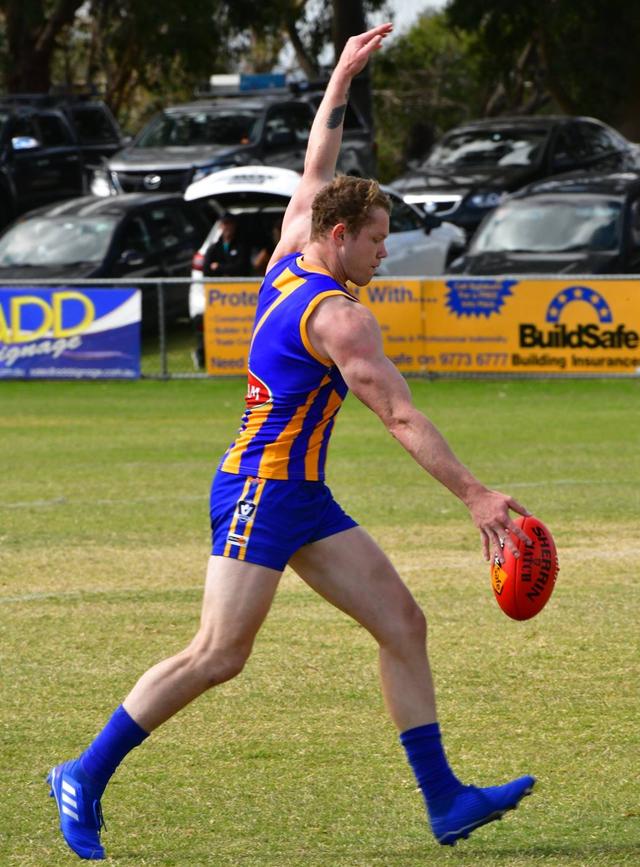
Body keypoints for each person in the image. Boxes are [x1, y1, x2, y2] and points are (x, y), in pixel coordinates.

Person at [47, 24, 537, 861]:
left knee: (404, 624)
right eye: (378, 238)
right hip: (257, 495)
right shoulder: (340, 315)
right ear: (341, 237)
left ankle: (446, 799)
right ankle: (82, 773)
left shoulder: (288, 256)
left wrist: (340, 78)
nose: (385, 252)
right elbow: (402, 417)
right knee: (218, 654)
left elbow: (316, 167)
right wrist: (477, 497)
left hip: (301, 497)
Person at [191, 212, 251, 370]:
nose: (227, 228)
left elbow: (242, 267)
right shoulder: (214, 247)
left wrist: (220, 268)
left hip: (240, 297)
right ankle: (204, 356)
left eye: (229, 224)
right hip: (219, 298)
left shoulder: (241, 245)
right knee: (204, 322)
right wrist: (225, 270)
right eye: (224, 224)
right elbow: (206, 270)